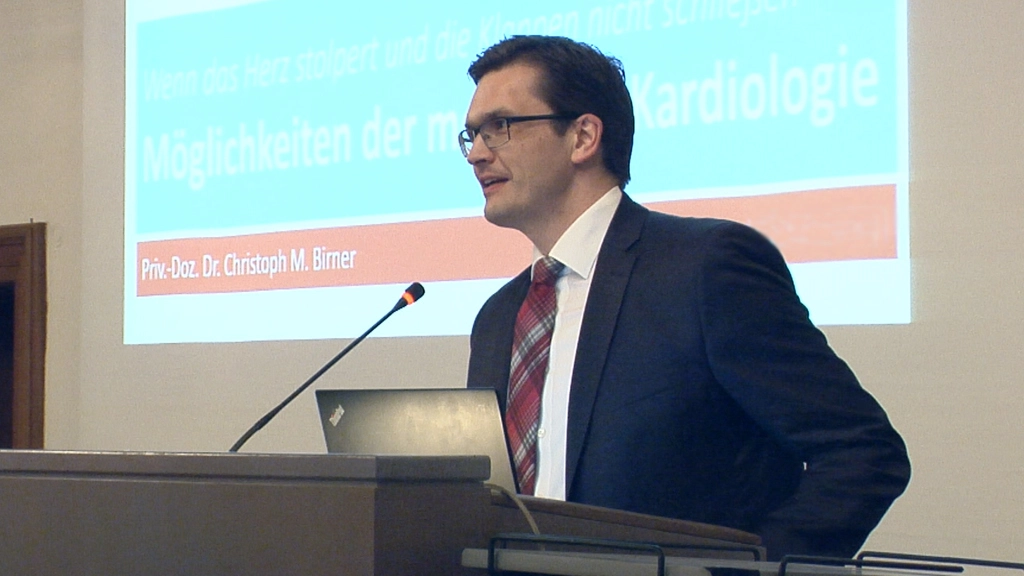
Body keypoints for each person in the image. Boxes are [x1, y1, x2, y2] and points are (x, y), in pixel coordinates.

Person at [462, 35, 910, 560]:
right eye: (471, 134)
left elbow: (862, 453)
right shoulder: (498, 317)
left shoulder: (705, 267)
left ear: (583, 137)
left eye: (501, 126)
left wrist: (748, 570)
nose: (477, 153)